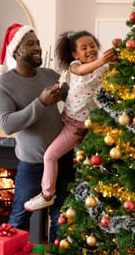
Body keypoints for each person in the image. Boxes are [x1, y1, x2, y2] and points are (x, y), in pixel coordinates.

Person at [0, 23, 74, 248]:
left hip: (63, 159)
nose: (37, 47)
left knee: (61, 217)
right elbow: (7, 124)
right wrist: (40, 103)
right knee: (19, 218)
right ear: (16, 51)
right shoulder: (2, 85)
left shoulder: (49, 75)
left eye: (37, 42)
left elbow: (75, 98)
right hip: (32, 164)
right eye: (30, 44)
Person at [24, 30, 117, 212]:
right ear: (75, 54)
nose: (90, 50)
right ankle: (47, 195)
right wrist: (102, 61)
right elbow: (83, 71)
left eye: (92, 46)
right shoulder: (74, 66)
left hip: (93, 126)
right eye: (84, 48)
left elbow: (118, 64)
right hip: (71, 125)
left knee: (90, 164)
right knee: (50, 155)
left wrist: (118, 48)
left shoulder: (104, 67)